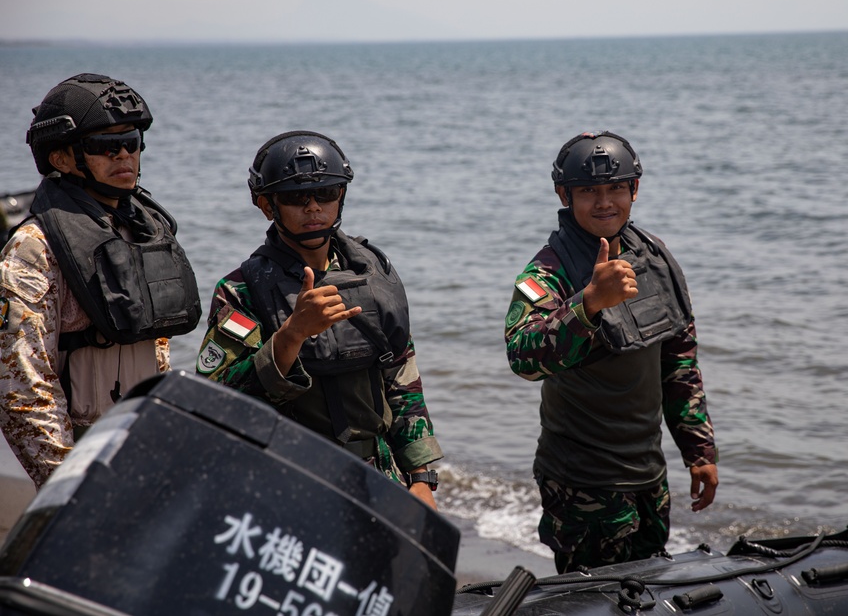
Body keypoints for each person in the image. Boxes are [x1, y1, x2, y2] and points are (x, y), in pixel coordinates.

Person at [504, 131, 719, 573]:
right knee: (591, 601)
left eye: (616, 188)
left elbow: (679, 364)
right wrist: (586, 304)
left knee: (650, 587)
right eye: (589, 192)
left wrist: (699, 451)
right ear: (564, 195)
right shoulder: (549, 270)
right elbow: (523, 358)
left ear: (634, 190)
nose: (605, 202)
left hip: (648, 476)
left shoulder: (655, 258)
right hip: (582, 483)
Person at [195, 131, 443, 509]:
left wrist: (422, 478)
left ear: (340, 196)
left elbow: (401, 377)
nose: (313, 208)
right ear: (266, 205)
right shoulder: (242, 290)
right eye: (296, 198)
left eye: (325, 194)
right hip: (289, 482)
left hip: (377, 478)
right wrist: (292, 335)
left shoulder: (372, 275)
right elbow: (215, 400)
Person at [0, 73, 202, 488]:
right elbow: (21, 383)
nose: (124, 155)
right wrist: (69, 482)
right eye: (106, 146)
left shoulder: (142, 232)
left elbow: (156, 349)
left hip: (149, 445)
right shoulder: (35, 248)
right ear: (61, 158)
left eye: (132, 142)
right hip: (85, 454)